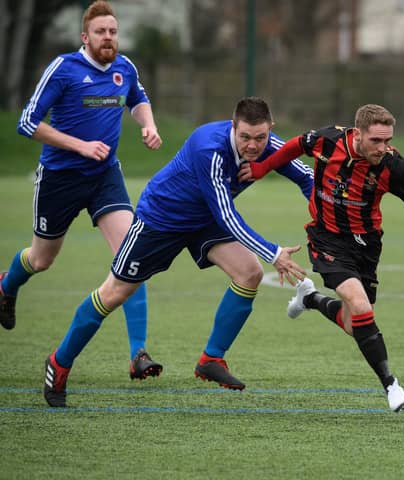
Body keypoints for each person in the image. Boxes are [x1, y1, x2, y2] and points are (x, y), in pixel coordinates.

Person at [42, 97, 312, 407]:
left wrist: (326, 219)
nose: (253, 145)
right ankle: (59, 363)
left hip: (204, 220)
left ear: (271, 130)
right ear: (233, 127)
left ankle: (211, 359)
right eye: (245, 137)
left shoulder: (271, 146)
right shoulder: (208, 148)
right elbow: (225, 215)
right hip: (161, 219)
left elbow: (307, 178)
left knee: (248, 273)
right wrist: (273, 252)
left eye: (261, 137)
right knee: (114, 293)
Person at [239, 104, 404, 412]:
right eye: (376, 141)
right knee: (359, 306)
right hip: (326, 237)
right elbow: (294, 146)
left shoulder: (393, 166)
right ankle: (391, 385)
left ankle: (311, 299)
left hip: (366, 246)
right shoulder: (328, 141)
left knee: (352, 321)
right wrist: (262, 168)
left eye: (387, 141)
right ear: (358, 134)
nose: (383, 148)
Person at [1, 0, 163, 380]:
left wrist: (148, 125)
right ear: (84, 36)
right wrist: (79, 145)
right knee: (41, 260)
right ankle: (6, 287)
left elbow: (138, 100)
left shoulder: (125, 68)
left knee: (131, 257)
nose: (108, 38)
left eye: (113, 31)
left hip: (105, 176)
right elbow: (27, 122)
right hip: (60, 178)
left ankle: (138, 353)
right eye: (101, 32)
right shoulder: (63, 68)